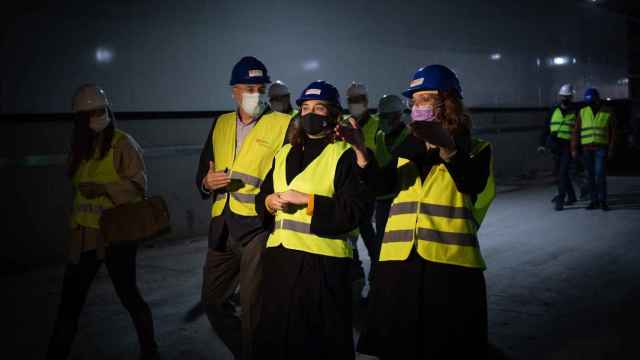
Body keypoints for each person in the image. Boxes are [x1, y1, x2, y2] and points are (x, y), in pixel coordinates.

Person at [358, 64, 495, 359]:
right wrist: (360, 152)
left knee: (445, 347)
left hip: (449, 264)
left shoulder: (476, 148)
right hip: (400, 263)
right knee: (400, 347)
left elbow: (471, 182)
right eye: (414, 100)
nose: (416, 106)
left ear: (447, 102)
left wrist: (448, 150)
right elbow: (381, 185)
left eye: (425, 99)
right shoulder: (408, 147)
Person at [253, 81, 375, 359]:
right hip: (281, 261)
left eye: (319, 108)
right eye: (305, 107)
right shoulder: (283, 153)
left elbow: (355, 212)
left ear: (333, 115)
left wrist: (308, 201)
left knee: (323, 342)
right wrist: (269, 203)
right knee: (279, 337)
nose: (310, 114)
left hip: (324, 266)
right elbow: (263, 197)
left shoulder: (345, 155)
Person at [47, 84, 159, 360]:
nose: (97, 116)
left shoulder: (123, 143)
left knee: (129, 295)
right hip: (84, 235)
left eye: (101, 110)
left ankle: (151, 352)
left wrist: (105, 188)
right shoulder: (80, 148)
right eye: (90, 113)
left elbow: (139, 185)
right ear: (80, 119)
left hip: (116, 234)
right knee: (70, 302)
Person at [195, 56, 292, 359]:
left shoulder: (284, 124)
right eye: (249, 88)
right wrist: (206, 183)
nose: (257, 95)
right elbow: (203, 171)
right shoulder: (221, 123)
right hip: (222, 229)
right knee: (212, 302)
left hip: (257, 228)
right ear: (233, 91)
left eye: (261, 88)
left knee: (254, 311)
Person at [344, 81, 380, 299]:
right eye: (351, 101)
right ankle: (356, 280)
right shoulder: (344, 124)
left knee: (370, 238)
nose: (355, 105)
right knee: (350, 239)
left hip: (370, 191)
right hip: (350, 191)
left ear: (366, 102)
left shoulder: (377, 125)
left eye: (358, 100)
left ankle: (378, 281)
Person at [571, 87, 615, 211]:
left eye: (593, 102)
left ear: (598, 99)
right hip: (587, 149)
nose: (590, 104)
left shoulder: (608, 112)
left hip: (601, 148)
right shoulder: (583, 112)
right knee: (590, 175)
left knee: (600, 175)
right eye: (588, 102)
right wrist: (574, 148)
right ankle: (594, 201)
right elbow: (576, 131)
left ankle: (602, 201)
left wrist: (611, 148)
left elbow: (613, 133)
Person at [545, 83, 578, 210]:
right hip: (555, 145)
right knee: (559, 173)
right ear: (560, 96)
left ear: (571, 97)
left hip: (568, 146)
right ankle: (572, 196)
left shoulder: (576, 111)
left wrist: (576, 148)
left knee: (563, 173)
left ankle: (561, 199)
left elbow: (578, 131)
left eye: (567, 96)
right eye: (563, 96)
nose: (564, 98)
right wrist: (542, 144)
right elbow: (546, 127)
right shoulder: (553, 110)